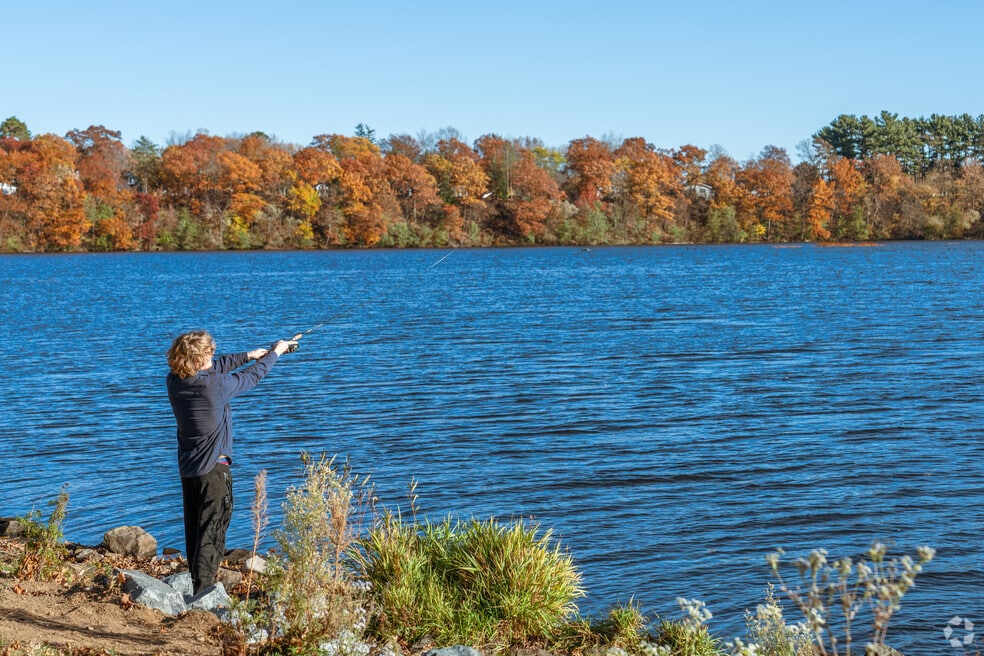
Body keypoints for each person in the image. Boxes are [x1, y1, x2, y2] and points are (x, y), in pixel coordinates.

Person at [165, 330, 296, 594]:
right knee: (212, 530)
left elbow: (218, 367)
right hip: (214, 470)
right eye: (210, 353)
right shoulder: (214, 386)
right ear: (201, 357)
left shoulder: (174, 381)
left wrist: (250, 354)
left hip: (189, 469)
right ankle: (203, 593)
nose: (214, 356)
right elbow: (252, 377)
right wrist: (275, 354)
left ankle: (196, 585)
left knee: (195, 530)